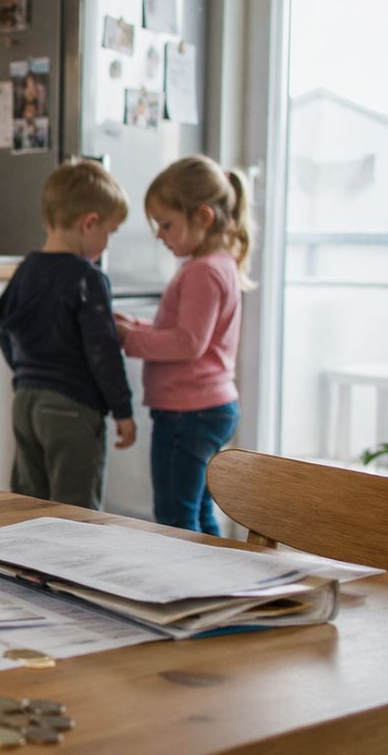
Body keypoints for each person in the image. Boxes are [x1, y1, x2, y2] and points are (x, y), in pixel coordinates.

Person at [116, 156, 255, 534]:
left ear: (204, 217)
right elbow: (187, 332)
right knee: (198, 511)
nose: (160, 235)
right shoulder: (217, 264)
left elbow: (188, 342)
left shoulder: (203, 271)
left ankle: (189, 588)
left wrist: (131, 339)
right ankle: (216, 584)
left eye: (166, 224)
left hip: (188, 413)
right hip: (205, 408)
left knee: (176, 516)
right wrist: (140, 326)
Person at [0, 160, 136, 510]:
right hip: (72, 408)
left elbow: (4, 327)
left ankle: (22, 564)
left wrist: (27, 373)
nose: (107, 243)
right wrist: (123, 410)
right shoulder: (88, 278)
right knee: (75, 512)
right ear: (89, 223)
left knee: (28, 505)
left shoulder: (27, 269)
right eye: (110, 233)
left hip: (26, 404)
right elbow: (102, 351)